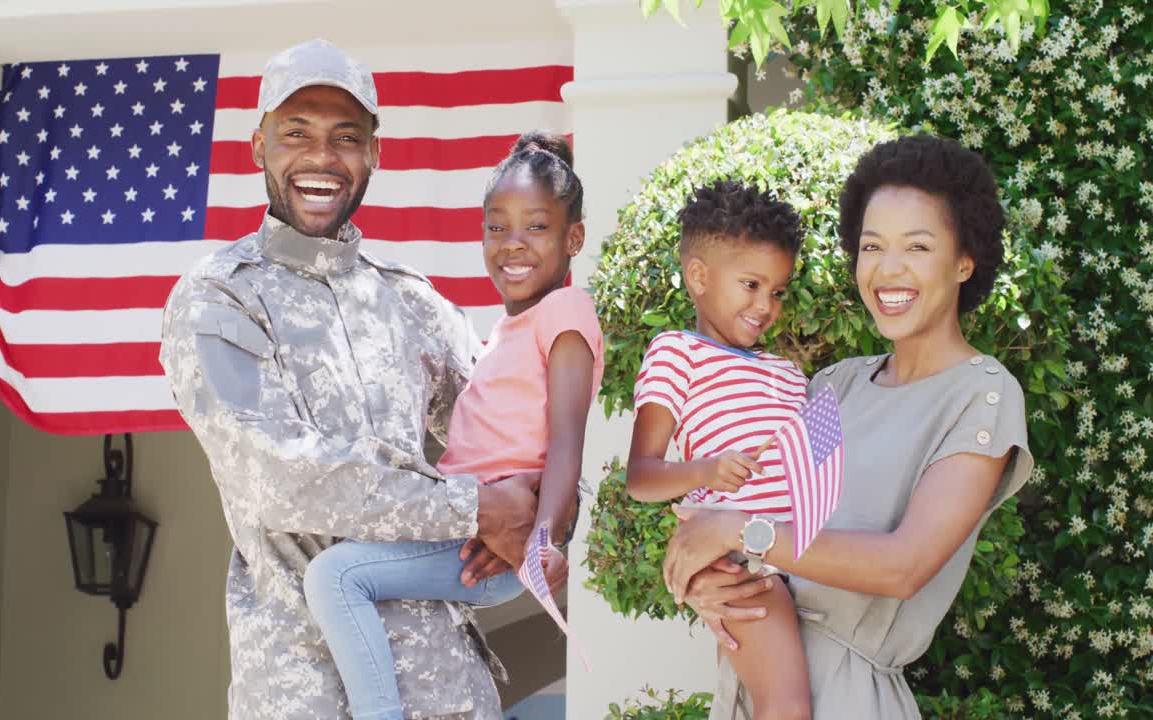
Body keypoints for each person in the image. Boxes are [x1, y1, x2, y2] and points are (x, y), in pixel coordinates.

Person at [159, 39, 542, 719]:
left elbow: (512, 427)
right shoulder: (220, 298)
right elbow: (276, 473)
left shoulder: (412, 304)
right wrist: (476, 508)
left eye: (346, 138)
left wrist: (546, 517)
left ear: (374, 154)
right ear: (258, 147)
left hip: (450, 690)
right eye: (296, 134)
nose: (321, 158)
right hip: (305, 687)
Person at [659, 135, 1035, 719]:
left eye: (917, 246)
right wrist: (701, 582)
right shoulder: (835, 387)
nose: (888, 269)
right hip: (757, 678)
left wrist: (740, 532)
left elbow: (903, 566)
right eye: (872, 246)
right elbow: (757, 510)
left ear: (965, 261)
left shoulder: (981, 395)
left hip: (850, 697)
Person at [301, 131, 603, 720]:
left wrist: (542, 538)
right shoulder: (501, 333)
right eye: (497, 226)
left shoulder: (566, 312)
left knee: (335, 577)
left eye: (536, 227)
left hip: (495, 542)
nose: (512, 244)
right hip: (468, 524)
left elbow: (568, 436)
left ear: (574, 239)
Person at [626, 179, 812, 720]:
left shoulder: (789, 372)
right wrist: (705, 470)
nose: (765, 305)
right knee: (785, 705)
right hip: (742, 565)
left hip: (803, 549)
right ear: (700, 277)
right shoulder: (677, 352)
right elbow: (641, 477)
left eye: (777, 291)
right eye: (751, 284)